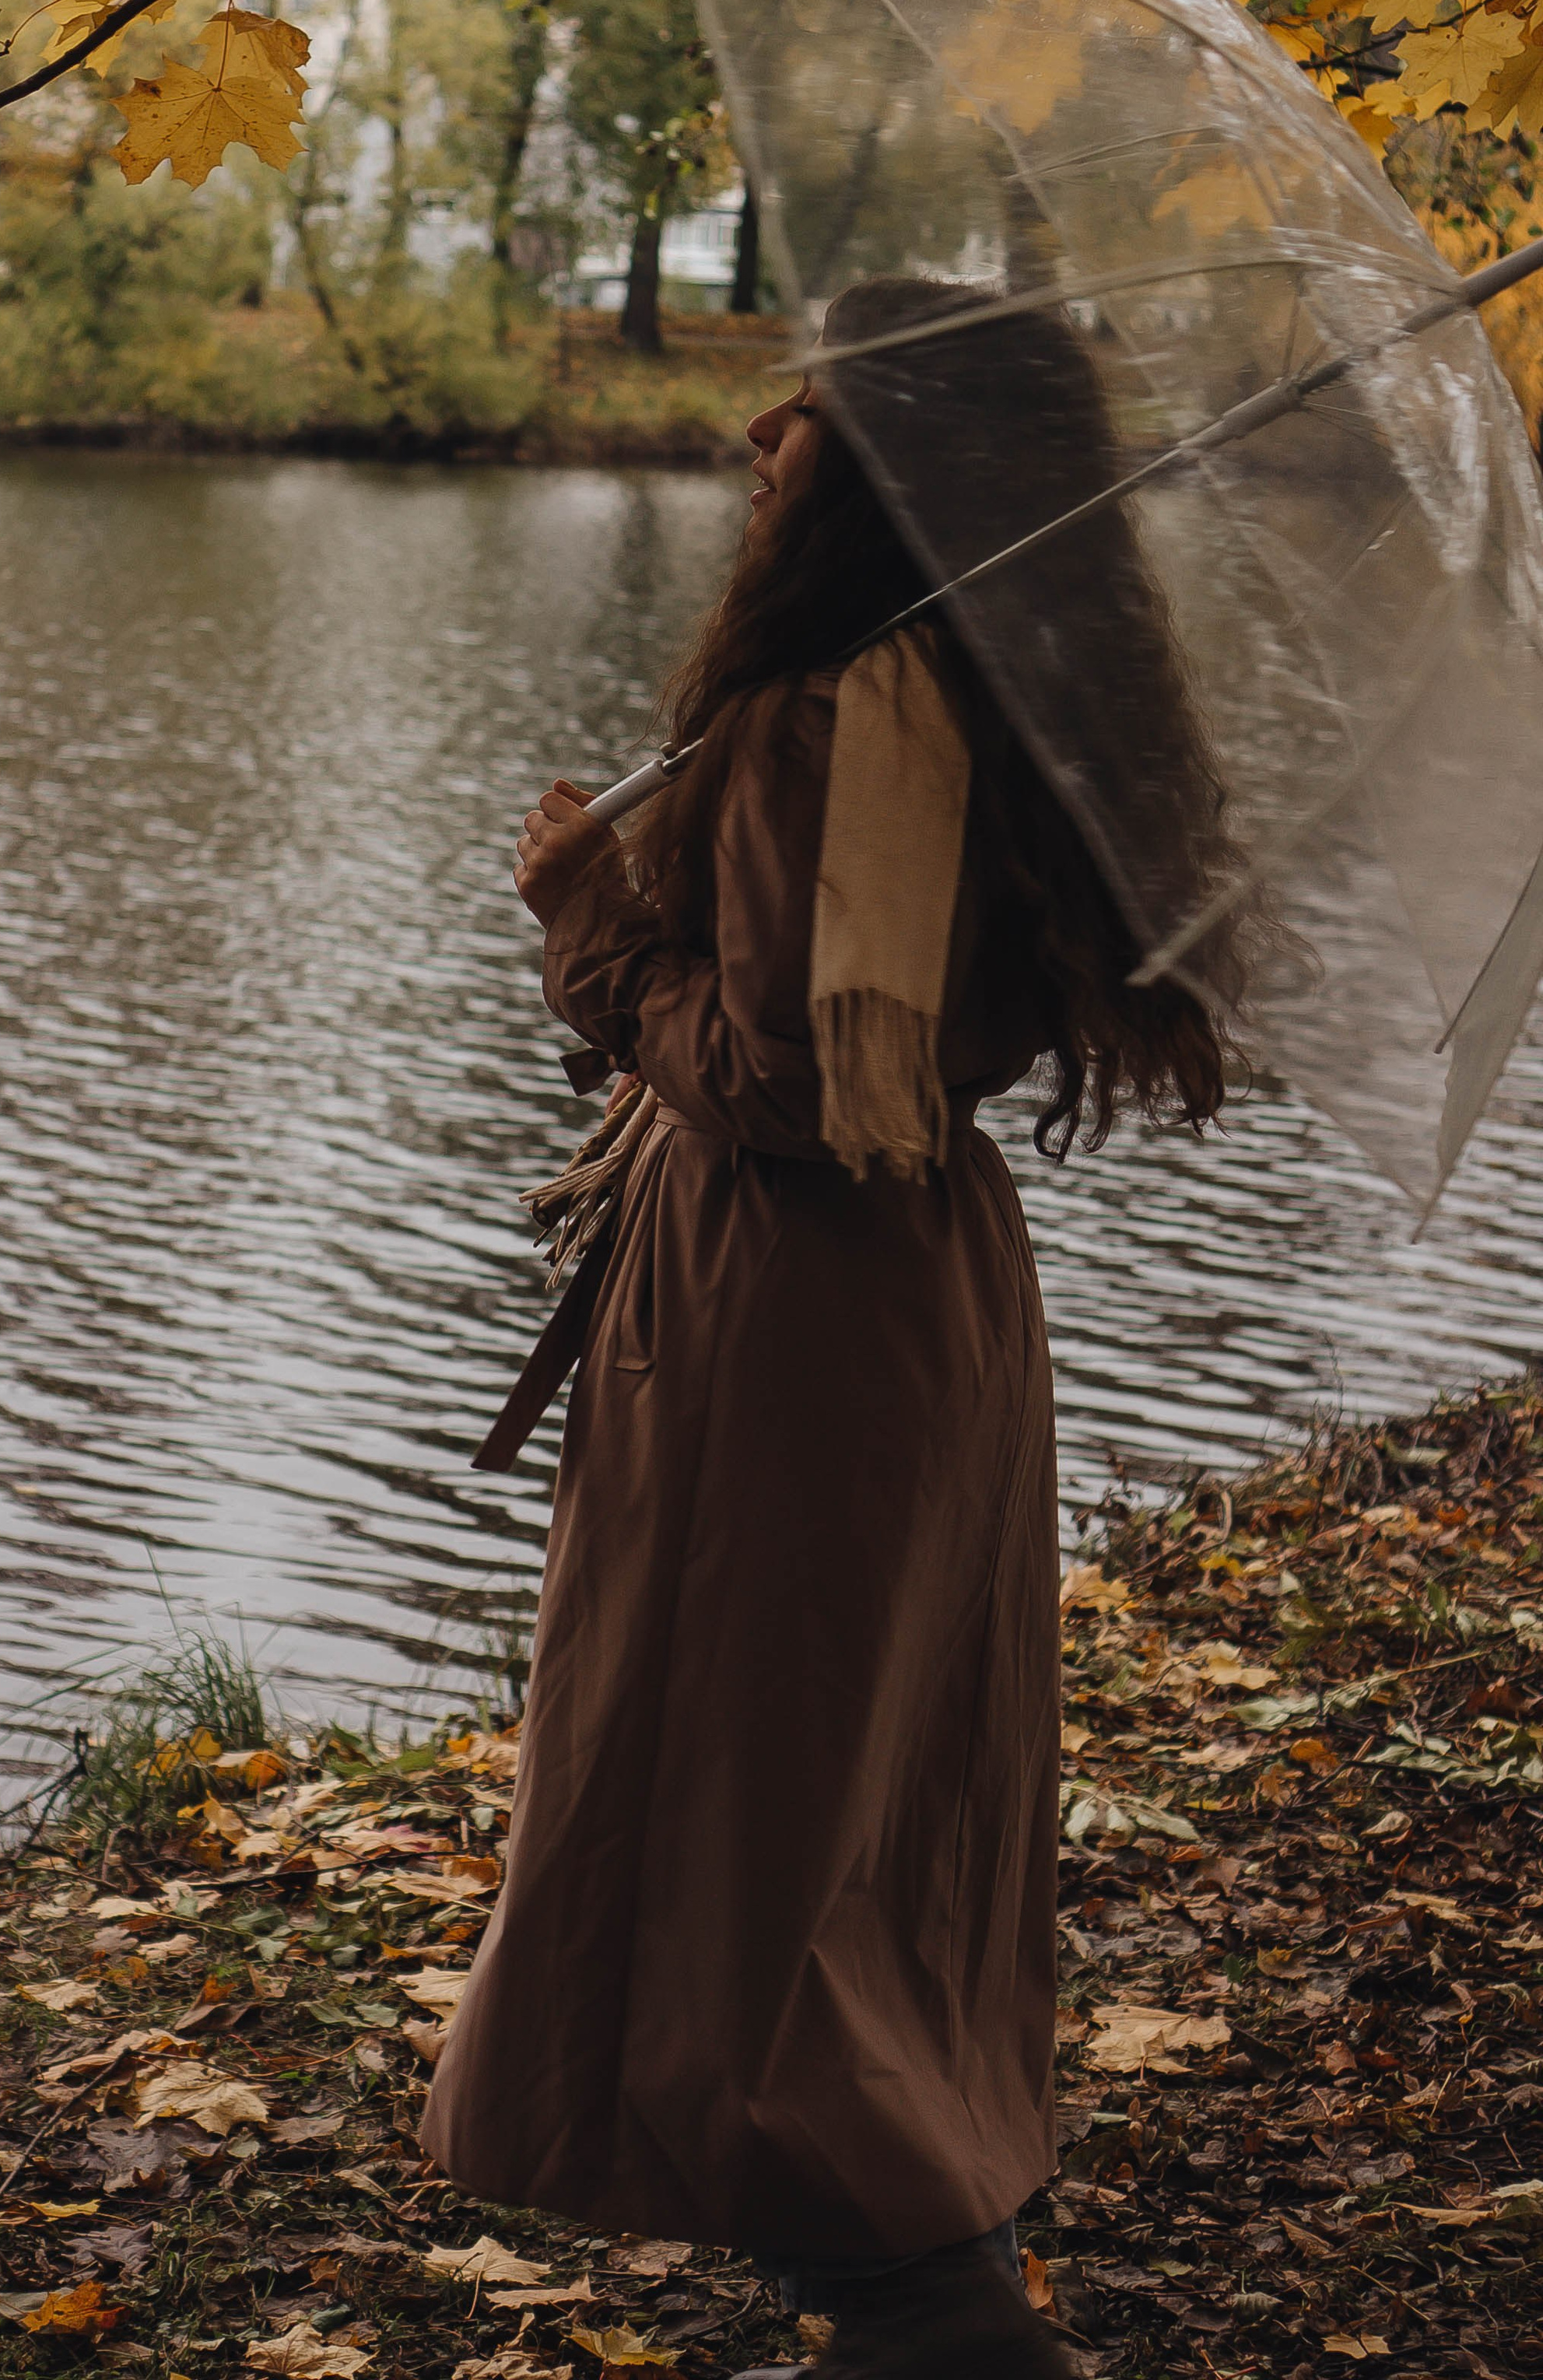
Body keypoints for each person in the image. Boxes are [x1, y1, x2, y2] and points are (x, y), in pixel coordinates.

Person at [419, 279, 1240, 2380]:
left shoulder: (837, 715)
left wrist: (593, 925)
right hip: (912, 1307)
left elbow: (797, 1089)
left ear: (894, 465)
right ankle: (898, 2247)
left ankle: (915, 2301)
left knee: (747, 1802)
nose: (760, 437)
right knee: (851, 1794)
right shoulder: (988, 684)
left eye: (813, 406)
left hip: (791, 1325)